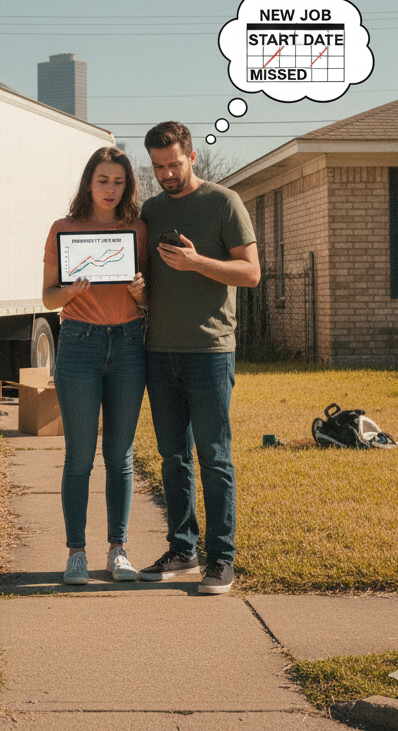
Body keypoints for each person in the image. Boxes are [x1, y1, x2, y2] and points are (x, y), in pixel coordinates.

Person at [137, 121, 260, 594]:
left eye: (173, 164)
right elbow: (150, 289)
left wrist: (197, 263)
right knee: (173, 457)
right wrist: (138, 292)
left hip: (209, 351)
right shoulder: (149, 209)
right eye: (157, 167)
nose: (167, 174)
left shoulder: (223, 202)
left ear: (191, 156)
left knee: (214, 456)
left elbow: (250, 273)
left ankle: (221, 559)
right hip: (159, 351)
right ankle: (183, 548)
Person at [42, 146, 148, 586]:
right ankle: (76, 554)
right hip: (79, 343)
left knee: (120, 456)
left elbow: (151, 300)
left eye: (119, 181)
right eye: (103, 180)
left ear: (128, 186)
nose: (110, 189)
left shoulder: (138, 230)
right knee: (79, 457)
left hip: (129, 343)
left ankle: (117, 550)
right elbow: (47, 298)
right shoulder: (64, 230)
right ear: (89, 182)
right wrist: (68, 291)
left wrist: (142, 292)